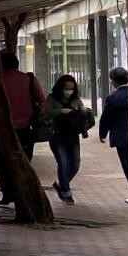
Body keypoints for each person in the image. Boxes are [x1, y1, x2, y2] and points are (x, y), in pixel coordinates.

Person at [0, 53, 47, 206]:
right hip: (26, 128)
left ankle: (7, 194)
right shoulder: (29, 79)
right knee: (25, 161)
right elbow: (42, 102)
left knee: (1, 161)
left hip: (5, 129)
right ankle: (23, 194)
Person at [45, 73, 92, 205]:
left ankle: (60, 183)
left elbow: (83, 110)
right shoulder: (52, 98)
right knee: (63, 163)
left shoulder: (76, 98)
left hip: (72, 135)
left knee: (75, 165)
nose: (68, 91)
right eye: (66, 88)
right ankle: (66, 193)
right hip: (57, 135)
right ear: (60, 87)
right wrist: (60, 111)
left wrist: (84, 110)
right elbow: (46, 112)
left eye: (71, 88)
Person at [98, 67, 128, 204]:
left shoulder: (113, 98)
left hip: (122, 137)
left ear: (113, 82)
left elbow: (106, 118)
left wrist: (102, 134)